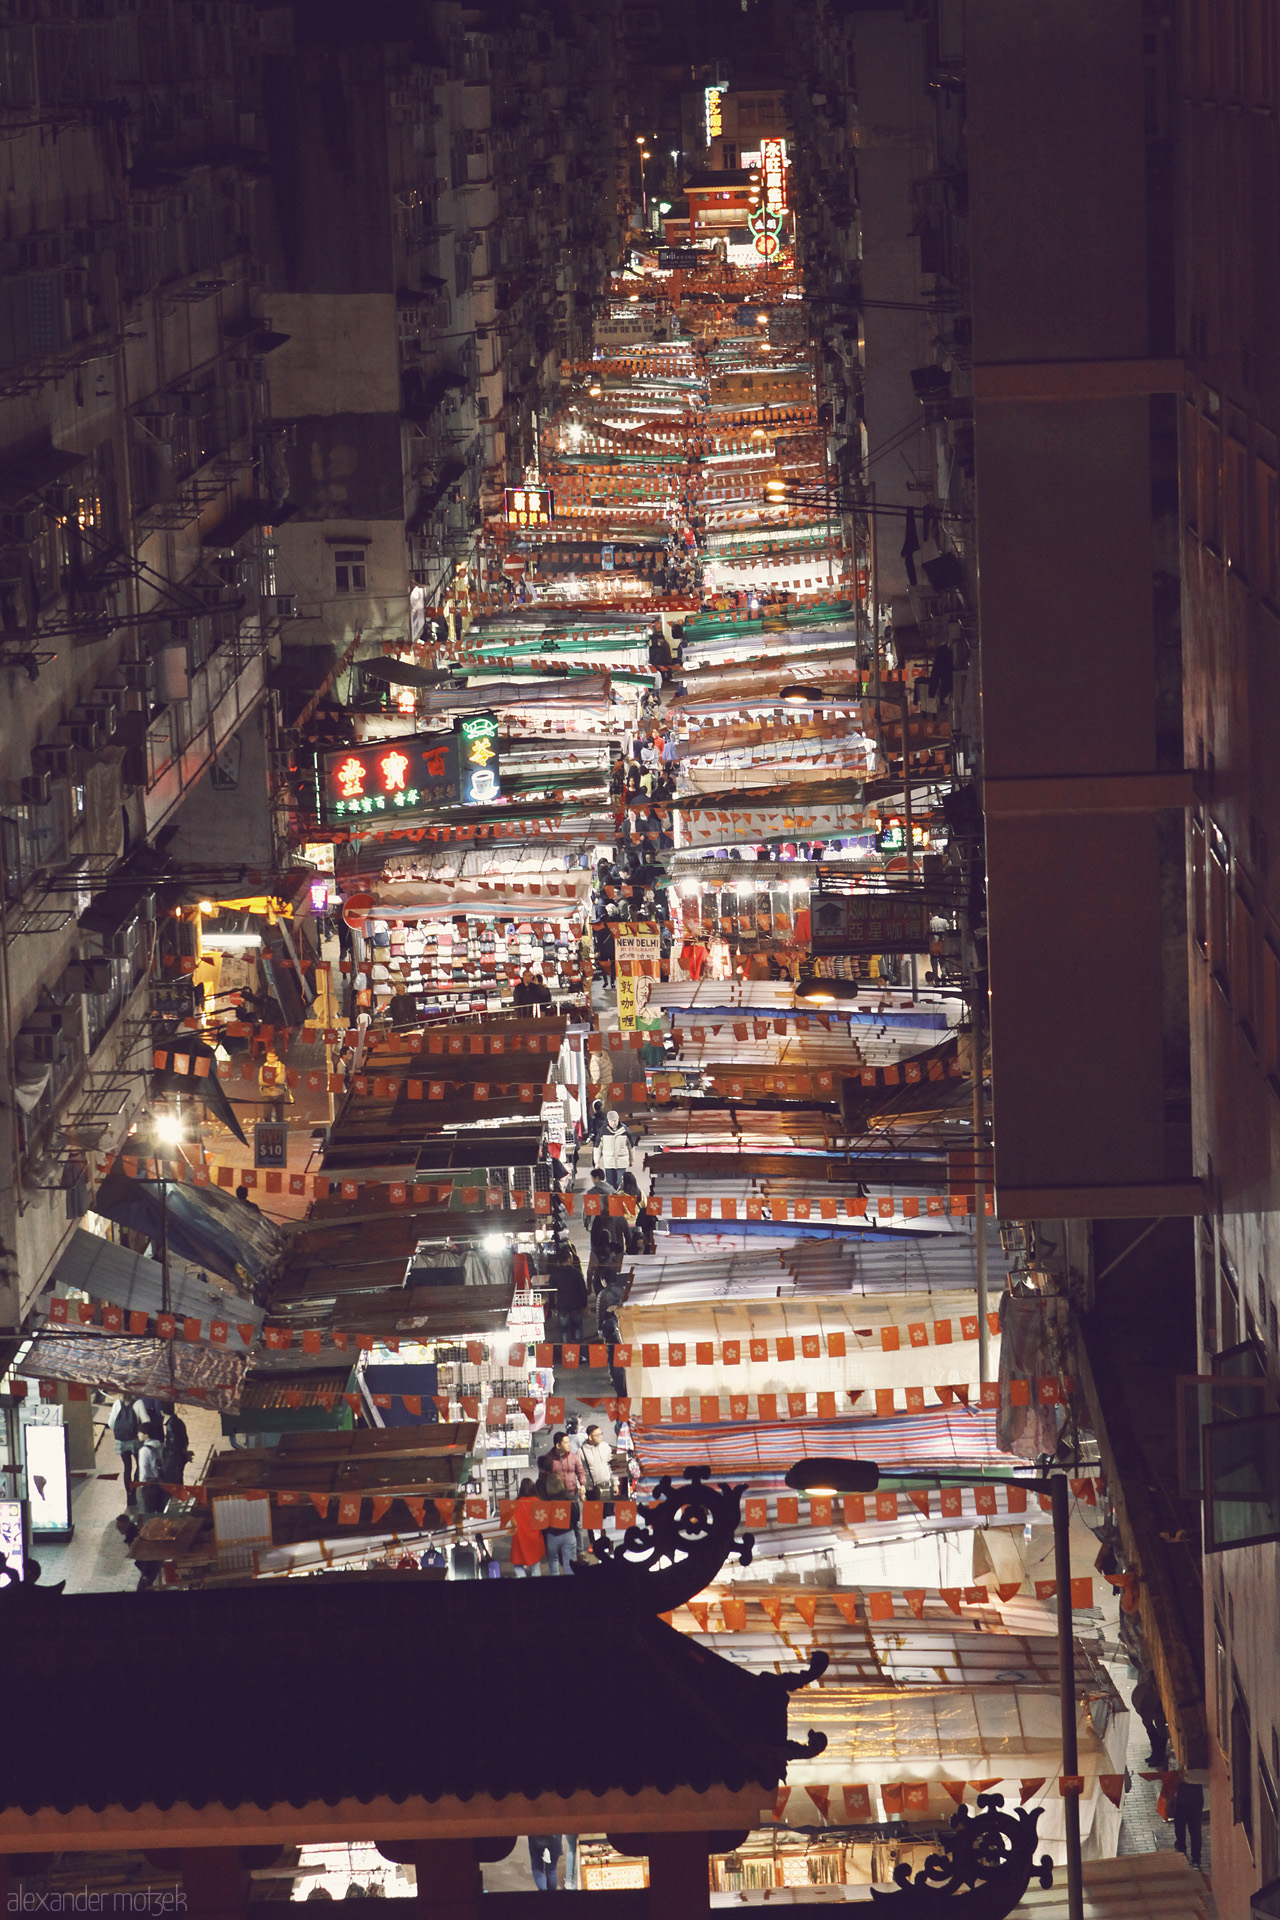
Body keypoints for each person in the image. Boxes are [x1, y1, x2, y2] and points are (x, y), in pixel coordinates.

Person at [536, 1452, 577, 1576]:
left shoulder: (540, 1485)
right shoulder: (567, 1497)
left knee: (553, 1561)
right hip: (568, 1532)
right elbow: (576, 1515)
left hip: (551, 1533)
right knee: (569, 1564)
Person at [506, 1477, 547, 1578]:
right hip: (535, 1539)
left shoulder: (514, 1504)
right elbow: (544, 1523)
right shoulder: (538, 1502)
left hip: (519, 1540)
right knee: (535, 1567)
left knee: (517, 1565)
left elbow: (508, 1524)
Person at [553, 1248, 588, 1344]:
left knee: (564, 1330)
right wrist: (584, 1304)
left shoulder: (555, 1274)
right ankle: (577, 1349)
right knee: (577, 1327)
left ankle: (566, 1351)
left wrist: (552, 1305)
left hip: (562, 1305)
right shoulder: (576, 1273)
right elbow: (582, 1290)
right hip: (576, 1305)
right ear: (569, 1259)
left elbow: (551, 1291)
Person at [1172, 1774, 1205, 1868]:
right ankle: (1196, 1860)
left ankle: (1181, 1849)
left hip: (1181, 1798)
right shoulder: (1197, 1763)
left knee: (1180, 1826)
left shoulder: (1179, 1762)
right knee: (1195, 1830)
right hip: (1196, 1798)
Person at [135, 1421, 167, 1516]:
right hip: (162, 1482)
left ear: (146, 1435)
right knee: (161, 1511)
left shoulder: (144, 1451)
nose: (138, 1434)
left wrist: (142, 1485)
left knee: (150, 1514)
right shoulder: (160, 1445)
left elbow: (143, 1470)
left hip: (150, 1485)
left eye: (140, 1432)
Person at [599, 1110, 631, 1190]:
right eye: (611, 1121)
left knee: (620, 1181)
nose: (613, 1123)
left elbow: (631, 1145)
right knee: (610, 1182)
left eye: (615, 1120)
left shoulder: (625, 1129)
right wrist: (596, 1161)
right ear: (608, 1120)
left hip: (621, 1160)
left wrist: (632, 1159)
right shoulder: (603, 1130)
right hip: (609, 1160)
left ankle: (620, 1198)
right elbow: (598, 1147)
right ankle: (612, 1200)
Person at [580, 1424, 614, 1501]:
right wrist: (582, 1492)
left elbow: (611, 1465)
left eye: (601, 1434)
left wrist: (615, 1483)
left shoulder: (605, 1447)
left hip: (608, 1487)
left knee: (609, 1512)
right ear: (590, 1437)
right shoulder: (581, 1451)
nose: (601, 1436)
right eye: (598, 1435)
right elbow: (579, 1472)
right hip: (592, 1491)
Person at [160, 1408, 192, 1487]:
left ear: (162, 1412)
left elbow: (173, 1446)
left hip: (175, 1461)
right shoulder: (178, 1421)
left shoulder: (171, 1425)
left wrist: (166, 1462)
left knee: (174, 1484)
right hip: (180, 1457)